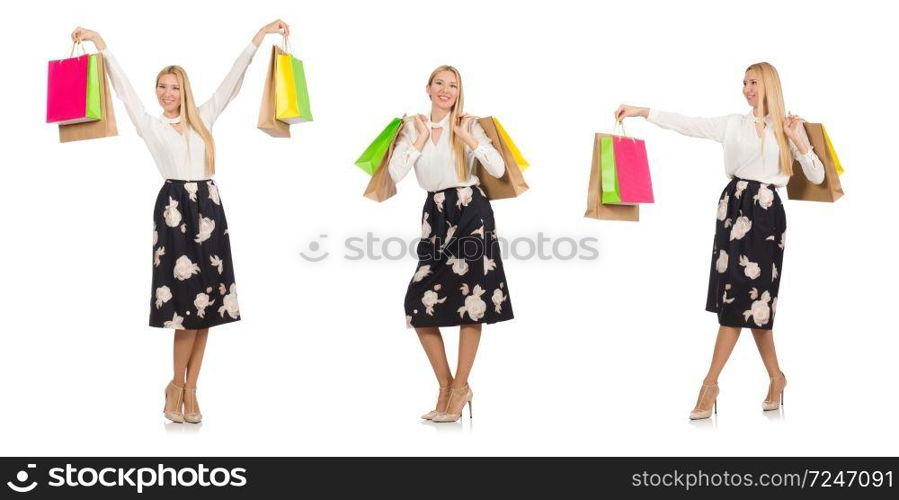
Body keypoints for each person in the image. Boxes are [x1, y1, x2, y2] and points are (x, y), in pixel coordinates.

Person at [70, 20, 290, 423]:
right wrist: (101, 46)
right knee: (183, 308)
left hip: (209, 208)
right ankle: (175, 385)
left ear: (183, 91)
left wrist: (259, 38)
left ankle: (191, 391)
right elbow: (123, 90)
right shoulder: (150, 125)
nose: (166, 93)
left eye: (173, 87)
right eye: (161, 86)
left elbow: (233, 80)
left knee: (207, 308)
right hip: (174, 213)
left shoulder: (203, 118)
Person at [615, 62, 825, 420]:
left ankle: (709, 385)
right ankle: (777, 378)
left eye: (753, 82)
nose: (746, 89)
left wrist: (798, 140)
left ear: (769, 84)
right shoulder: (733, 124)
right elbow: (687, 123)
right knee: (745, 301)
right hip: (732, 211)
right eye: (744, 83)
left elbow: (817, 176)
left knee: (747, 302)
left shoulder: (790, 126)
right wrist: (642, 111)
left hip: (766, 215)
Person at [388, 65, 513, 422]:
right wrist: (419, 140)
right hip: (436, 214)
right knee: (417, 301)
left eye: (452, 85)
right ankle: (446, 386)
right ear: (427, 89)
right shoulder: (411, 127)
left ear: (459, 92)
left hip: (471, 211)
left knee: (471, 302)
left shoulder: (470, 125)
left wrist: (468, 136)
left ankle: (460, 387)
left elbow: (500, 169)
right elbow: (394, 175)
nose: (446, 90)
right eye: (439, 84)